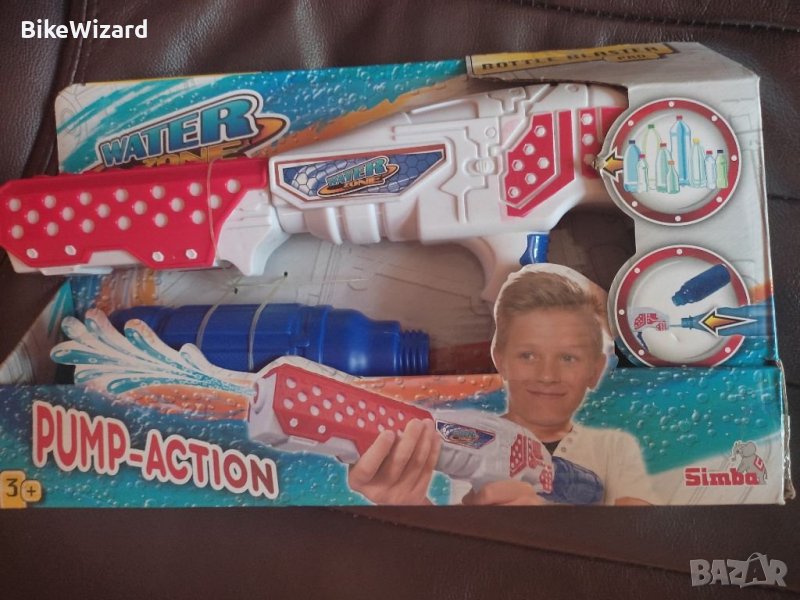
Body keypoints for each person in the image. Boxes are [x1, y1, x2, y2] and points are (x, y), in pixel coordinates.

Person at [348, 265, 658, 506]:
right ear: (500, 358)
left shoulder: (613, 447)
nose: (547, 375)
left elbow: (640, 538)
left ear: (596, 370)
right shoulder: (480, 439)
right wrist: (409, 504)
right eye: (528, 355)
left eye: (568, 358)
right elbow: (462, 551)